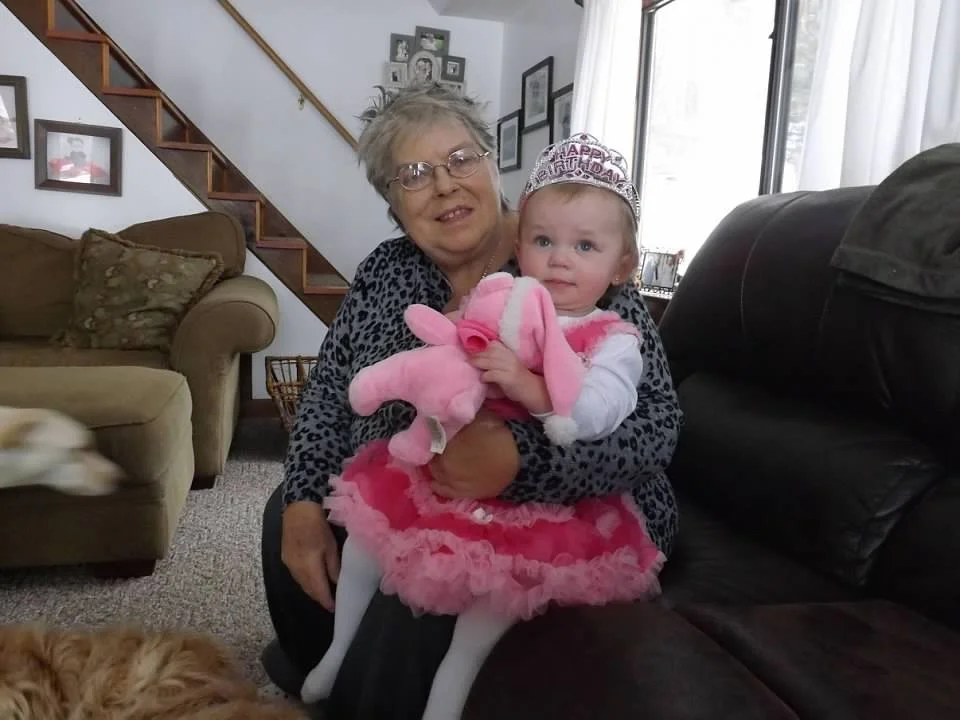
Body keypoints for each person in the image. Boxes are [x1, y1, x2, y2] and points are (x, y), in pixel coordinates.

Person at [259, 83, 681, 720]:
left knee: (428, 596)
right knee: (288, 514)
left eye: (461, 159)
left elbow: (657, 424)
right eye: (415, 174)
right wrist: (301, 501)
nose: (446, 185)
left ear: (493, 165)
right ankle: (328, 670)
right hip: (408, 482)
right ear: (393, 203)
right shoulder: (384, 269)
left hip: (562, 509)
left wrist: (520, 459)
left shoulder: (565, 251)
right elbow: (327, 391)